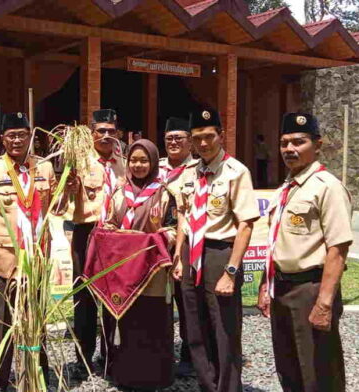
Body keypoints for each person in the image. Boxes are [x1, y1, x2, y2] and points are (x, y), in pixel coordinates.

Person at [257, 113, 352, 392]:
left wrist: (324, 303)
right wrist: (266, 284)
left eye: (299, 142)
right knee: (289, 367)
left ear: (317, 144)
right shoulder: (287, 187)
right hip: (283, 288)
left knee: (319, 372)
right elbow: (277, 242)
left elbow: (338, 248)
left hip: (310, 289)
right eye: (285, 143)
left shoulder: (327, 187)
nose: (290, 149)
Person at [172, 108, 259, 392]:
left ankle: (228, 387)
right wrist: (180, 258)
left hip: (221, 253)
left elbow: (245, 225)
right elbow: (184, 215)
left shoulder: (236, 172)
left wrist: (231, 272)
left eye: (209, 136)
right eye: (197, 138)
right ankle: (207, 384)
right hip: (191, 254)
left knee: (224, 330)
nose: (204, 143)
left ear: (221, 136)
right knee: (194, 328)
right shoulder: (189, 172)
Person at [0, 112, 55, 391]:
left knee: (37, 318)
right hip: (4, 258)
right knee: (2, 320)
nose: (17, 140)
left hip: (37, 257)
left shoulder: (44, 168)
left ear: (31, 136)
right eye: (12, 135)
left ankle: (37, 374)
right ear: (2, 139)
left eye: (22, 134)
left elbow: (53, 206)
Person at [101, 139, 176, 390]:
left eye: (144, 160)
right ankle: (126, 375)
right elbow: (108, 225)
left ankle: (155, 377)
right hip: (123, 273)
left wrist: (146, 240)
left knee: (152, 322)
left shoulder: (164, 193)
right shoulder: (119, 193)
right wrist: (117, 236)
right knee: (127, 323)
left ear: (153, 162)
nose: (138, 165)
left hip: (153, 272)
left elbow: (174, 230)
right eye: (134, 160)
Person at [58, 109, 126, 377]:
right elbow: (61, 205)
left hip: (117, 237)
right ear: (92, 133)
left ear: (117, 134)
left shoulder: (125, 163)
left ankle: (111, 357)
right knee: (83, 301)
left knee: (114, 297)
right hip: (87, 234)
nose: (107, 136)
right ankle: (83, 359)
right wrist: (68, 188)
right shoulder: (78, 163)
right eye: (101, 131)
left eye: (111, 131)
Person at [160, 116, 197, 377]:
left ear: (190, 142)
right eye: (169, 138)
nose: (173, 143)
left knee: (186, 301)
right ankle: (160, 351)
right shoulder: (155, 166)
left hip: (186, 243)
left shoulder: (197, 168)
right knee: (158, 301)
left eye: (179, 138)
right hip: (157, 243)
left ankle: (189, 353)